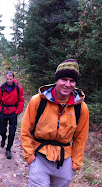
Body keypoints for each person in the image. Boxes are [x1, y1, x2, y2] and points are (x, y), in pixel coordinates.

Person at [20, 59, 89, 187]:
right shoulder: (38, 101)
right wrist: (30, 156)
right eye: (64, 79)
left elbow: (81, 137)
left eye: (72, 81)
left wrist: (75, 163)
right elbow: (25, 130)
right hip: (40, 156)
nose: (67, 84)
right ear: (56, 80)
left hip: (65, 159)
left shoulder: (81, 108)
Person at [0, 71, 25, 159]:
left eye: (10, 79)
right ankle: (3, 138)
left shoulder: (18, 88)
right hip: (3, 111)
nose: (8, 81)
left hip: (13, 112)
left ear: (13, 78)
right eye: (7, 79)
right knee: (1, 130)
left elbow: (21, 100)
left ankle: (8, 149)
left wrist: (18, 111)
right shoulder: (2, 87)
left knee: (12, 133)